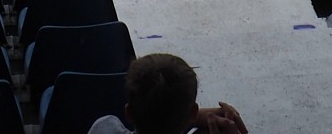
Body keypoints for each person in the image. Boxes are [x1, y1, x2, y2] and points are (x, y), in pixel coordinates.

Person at [88, 52, 247, 134]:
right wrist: (189, 116)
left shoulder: (103, 127)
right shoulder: (191, 116)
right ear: (192, 113)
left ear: (128, 112)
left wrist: (193, 116)